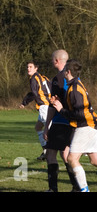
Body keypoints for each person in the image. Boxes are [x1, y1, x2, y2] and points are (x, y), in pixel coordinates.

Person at [52, 59, 97, 192]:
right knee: (95, 160)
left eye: (65, 69)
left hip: (85, 126)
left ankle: (84, 190)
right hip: (91, 125)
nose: (63, 72)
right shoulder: (76, 85)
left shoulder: (75, 89)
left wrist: (61, 110)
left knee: (71, 158)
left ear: (68, 71)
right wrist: (61, 103)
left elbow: (79, 114)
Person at [43, 49, 80, 192]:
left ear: (56, 61)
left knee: (51, 154)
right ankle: (77, 187)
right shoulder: (75, 77)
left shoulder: (58, 78)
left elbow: (53, 106)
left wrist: (47, 126)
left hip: (61, 121)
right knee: (66, 155)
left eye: (52, 59)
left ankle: (53, 189)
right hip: (74, 121)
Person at [19, 61, 51, 160]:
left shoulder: (34, 78)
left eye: (31, 67)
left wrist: (24, 102)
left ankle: (75, 147)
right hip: (49, 106)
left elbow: (34, 93)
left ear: (36, 68)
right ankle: (45, 151)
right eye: (27, 67)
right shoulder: (43, 77)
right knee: (38, 127)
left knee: (51, 131)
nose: (28, 69)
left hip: (44, 107)